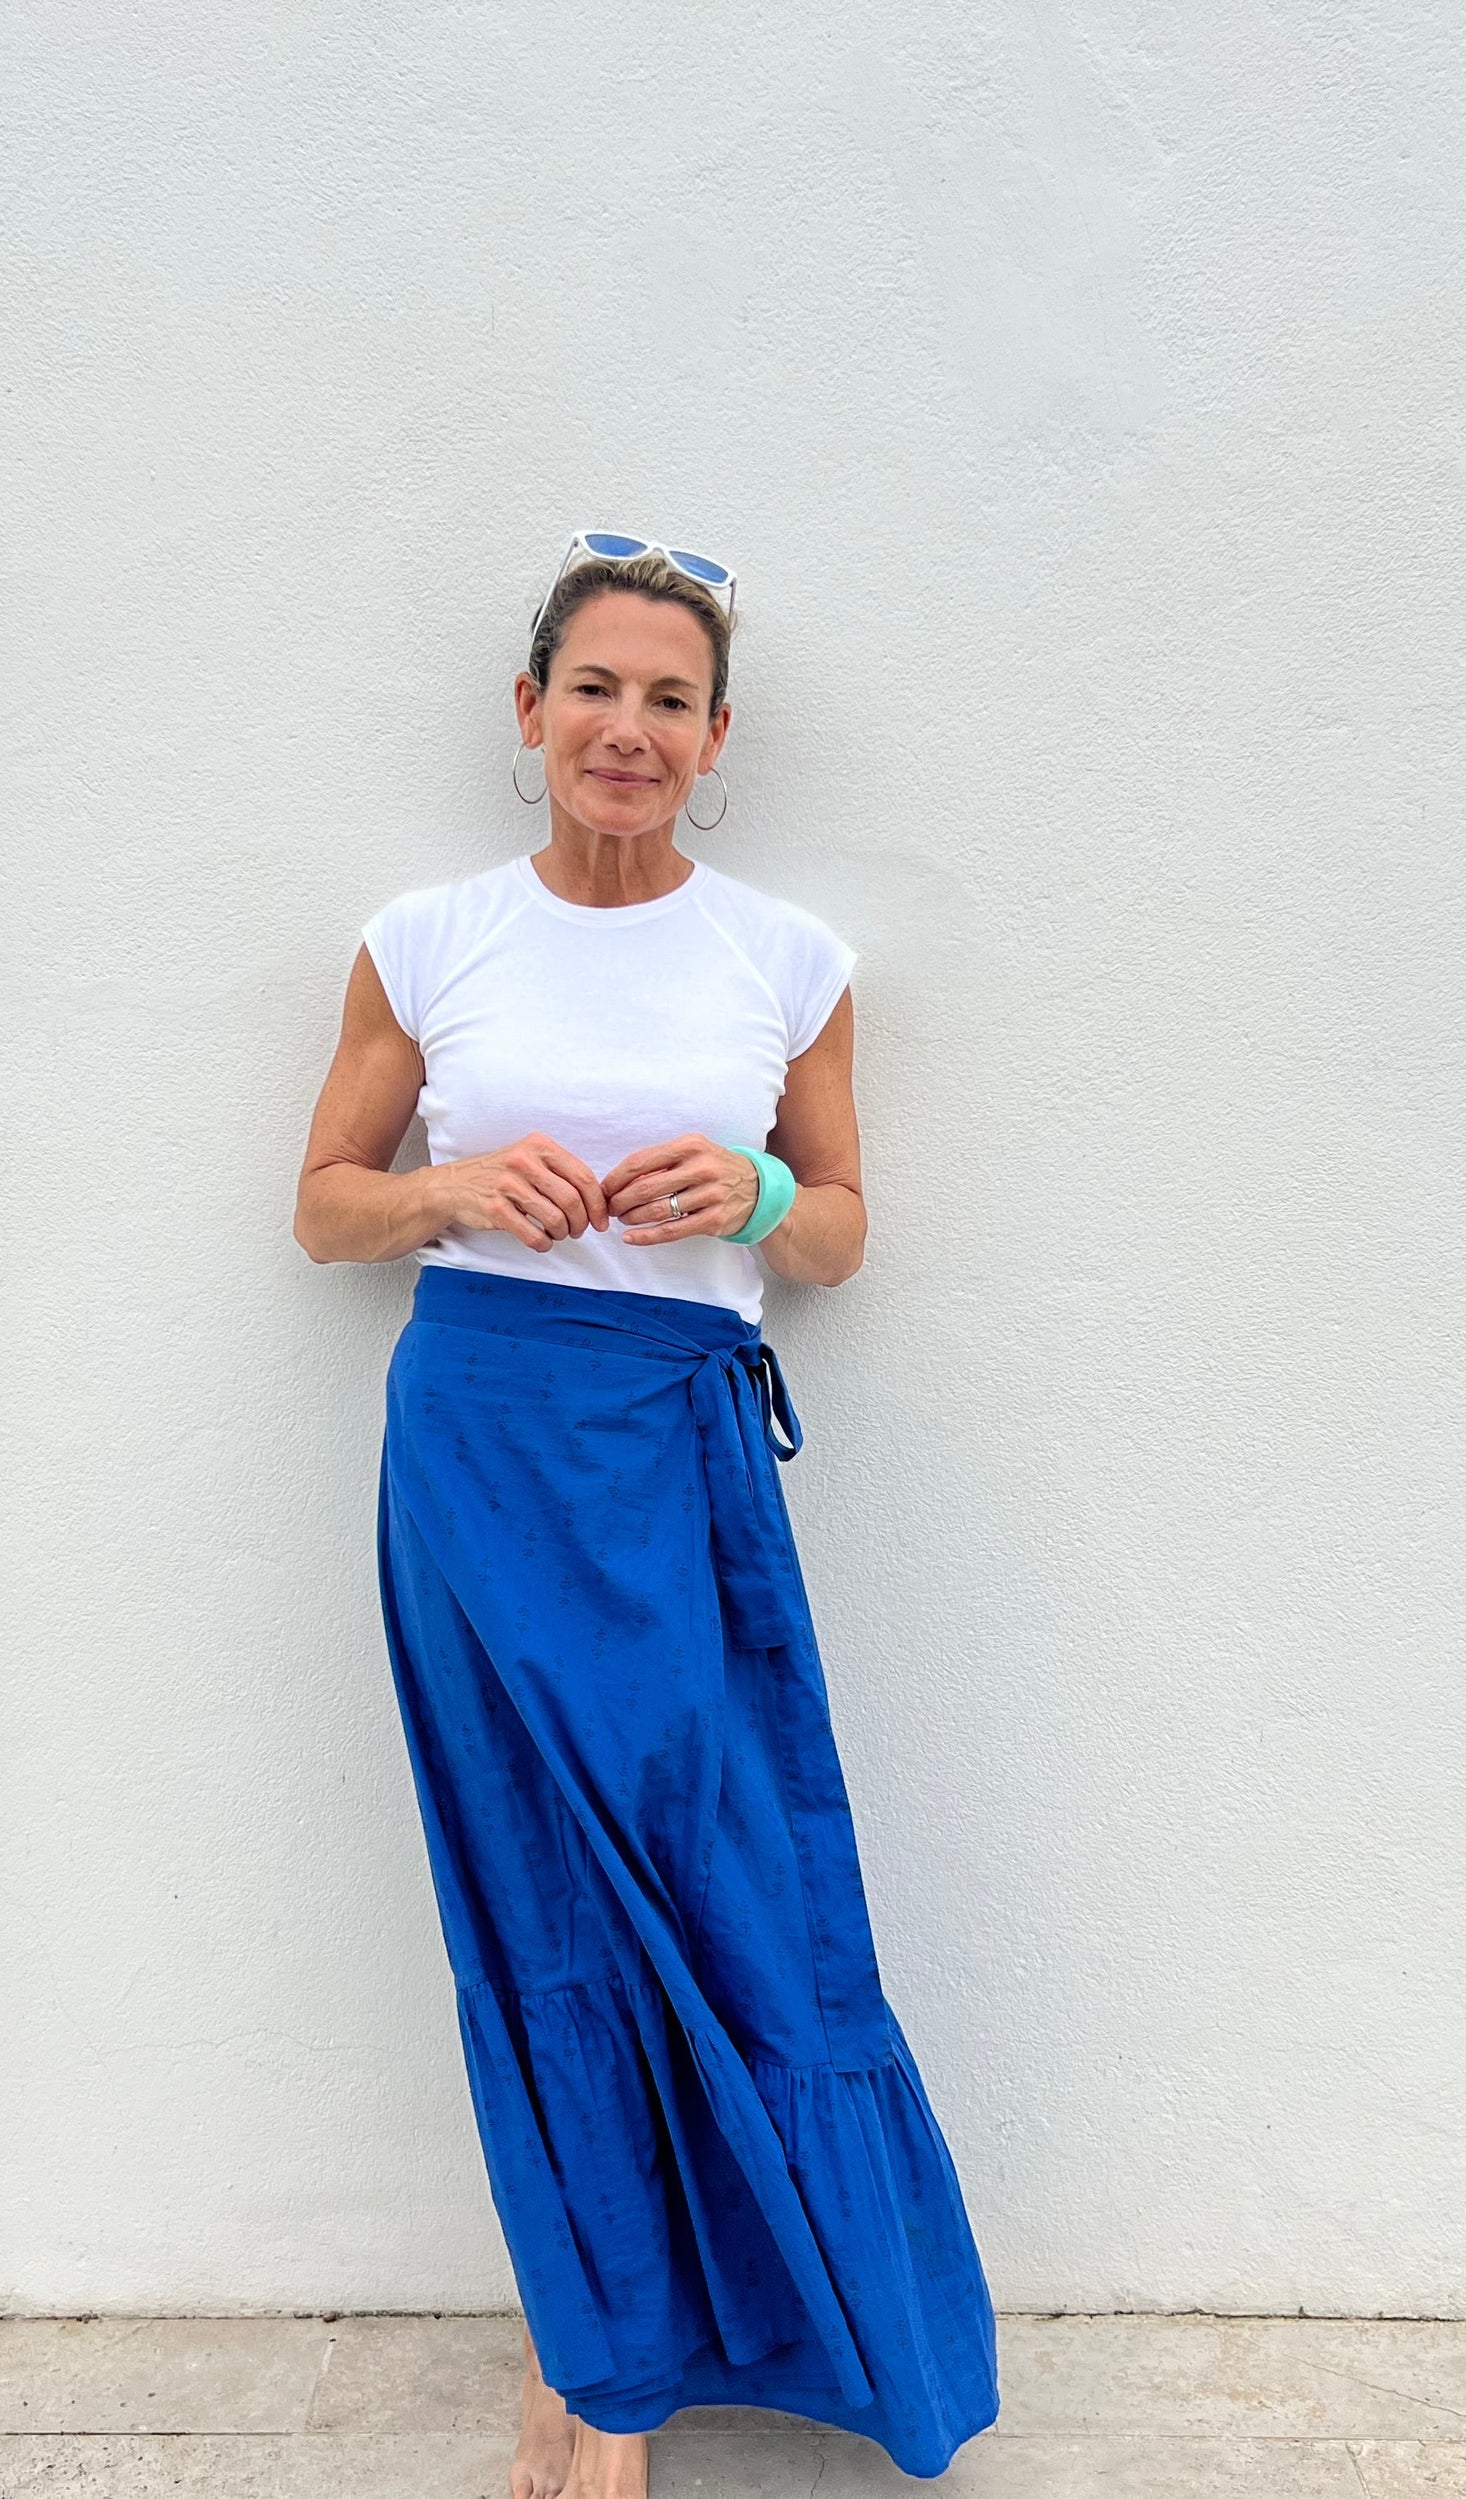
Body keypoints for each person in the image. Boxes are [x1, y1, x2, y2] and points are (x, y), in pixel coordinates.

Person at [293, 535, 1000, 2497]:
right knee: (539, 1888)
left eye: (667, 699)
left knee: (723, 1880)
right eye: (592, 688)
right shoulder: (428, 937)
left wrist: (756, 1201)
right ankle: (588, 2368)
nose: (627, 727)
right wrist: (450, 1190)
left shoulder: (786, 958)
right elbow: (323, 1198)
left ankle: (752, 2318)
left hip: (675, 1451)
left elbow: (845, 1231)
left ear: (712, 736)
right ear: (531, 714)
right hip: (481, 1441)